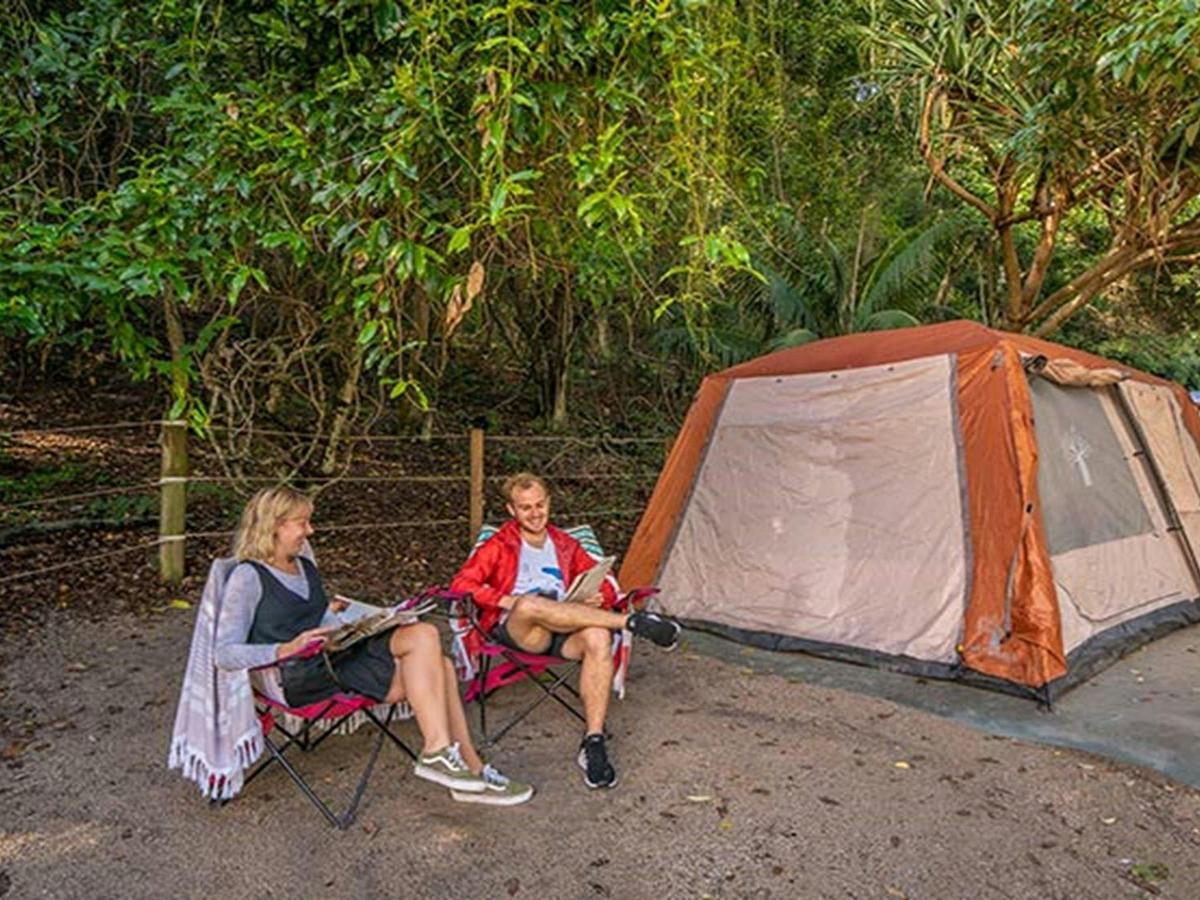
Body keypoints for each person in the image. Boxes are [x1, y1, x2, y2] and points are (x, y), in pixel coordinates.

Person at [214, 485, 531, 806]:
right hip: (298, 675)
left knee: (428, 640)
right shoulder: (248, 576)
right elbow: (223, 653)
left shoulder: (303, 564)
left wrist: (357, 618)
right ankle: (444, 756)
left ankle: (466, 768)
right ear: (276, 525)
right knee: (433, 657)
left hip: (337, 657)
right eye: (302, 523)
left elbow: (315, 621)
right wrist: (282, 649)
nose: (310, 530)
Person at [450, 472, 681, 789]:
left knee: (598, 637)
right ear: (511, 510)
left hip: (565, 624)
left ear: (549, 503)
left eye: (540, 505)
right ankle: (631, 622)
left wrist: (601, 597)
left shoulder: (564, 543)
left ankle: (594, 742)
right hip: (524, 630)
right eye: (525, 507)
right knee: (530, 604)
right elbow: (462, 584)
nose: (534, 513)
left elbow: (603, 581)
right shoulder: (498, 545)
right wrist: (506, 599)